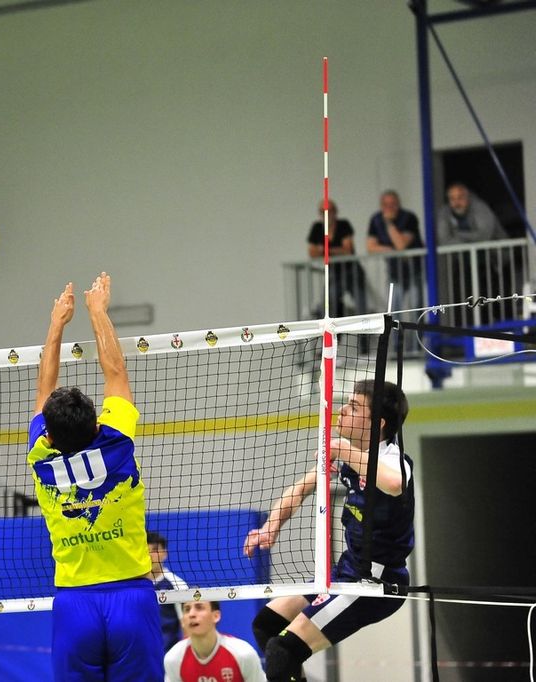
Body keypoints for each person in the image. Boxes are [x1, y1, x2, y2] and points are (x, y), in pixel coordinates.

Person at [28, 273, 161, 682]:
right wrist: (98, 310)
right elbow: (116, 372)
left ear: (50, 435)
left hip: (75, 605)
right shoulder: (116, 440)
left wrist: (56, 324)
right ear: (97, 422)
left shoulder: (41, 457)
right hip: (131, 599)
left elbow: (44, 389)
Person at [244, 381, 412, 682]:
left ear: (378, 423)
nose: (342, 411)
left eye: (354, 407)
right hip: (347, 571)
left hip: (375, 583)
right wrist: (270, 527)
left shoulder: (394, 459)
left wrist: (343, 449)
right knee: (267, 624)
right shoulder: (346, 459)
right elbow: (300, 489)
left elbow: (394, 483)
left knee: (284, 650)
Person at [436, 183, 511, 325]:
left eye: (460, 197)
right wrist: (469, 241)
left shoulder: (480, 207)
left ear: (468, 197)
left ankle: (505, 329)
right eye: (452, 198)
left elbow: (484, 235)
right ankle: (473, 331)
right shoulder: (445, 213)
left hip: (494, 261)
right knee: (467, 300)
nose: (456, 202)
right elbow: (444, 241)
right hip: (464, 266)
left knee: (497, 298)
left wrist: (458, 235)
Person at [164, 601, 265, 682]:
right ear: (182, 621)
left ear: (216, 616)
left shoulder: (243, 654)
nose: (191, 614)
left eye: (199, 607)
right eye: (187, 609)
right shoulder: (174, 659)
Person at [307, 199, 367, 318]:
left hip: (352, 271)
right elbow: (312, 252)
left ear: (335, 212)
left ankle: (364, 329)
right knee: (328, 302)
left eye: (329, 211)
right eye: (323, 212)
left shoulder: (343, 225)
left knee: (360, 306)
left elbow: (347, 250)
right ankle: (331, 328)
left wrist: (324, 250)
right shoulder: (317, 228)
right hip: (334, 273)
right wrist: (336, 250)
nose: (326, 214)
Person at [365, 190, 424, 312]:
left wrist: (389, 223)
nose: (389, 208)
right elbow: (371, 247)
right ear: (381, 206)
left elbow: (401, 245)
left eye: (393, 204)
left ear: (398, 204)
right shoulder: (376, 219)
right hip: (394, 273)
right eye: (386, 205)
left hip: (414, 271)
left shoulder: (409, 218)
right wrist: (391, 250)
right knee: (393, 311)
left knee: (415, 310)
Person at [146, 532, 189, 654]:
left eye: (155, 550)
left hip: (168, 655)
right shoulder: (134, 585)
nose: (150, 555)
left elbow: (186, 625)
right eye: (146, 551)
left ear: (164, 553)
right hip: (141, 655)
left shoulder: (177, 585)